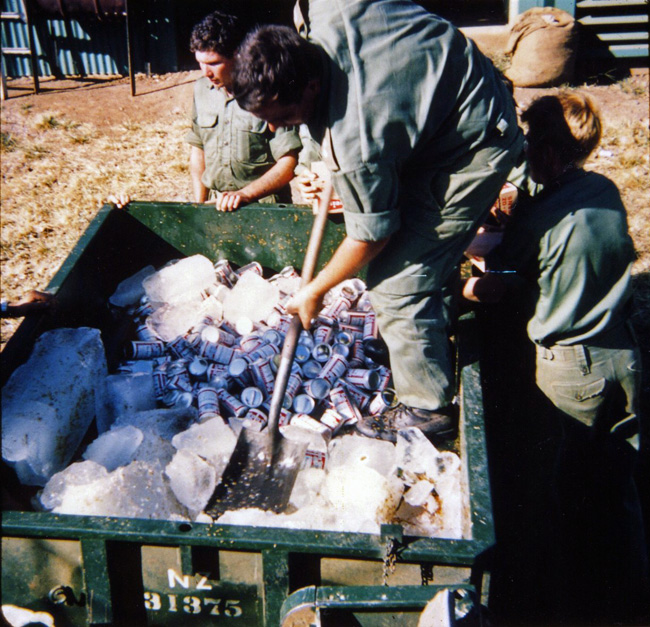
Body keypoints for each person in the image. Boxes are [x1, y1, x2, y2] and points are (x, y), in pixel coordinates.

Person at [229, 0, 525, 442]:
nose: (274, 131)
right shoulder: (324, 18)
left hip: (473, 142)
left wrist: (314, 289)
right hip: (431, 107)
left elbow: (372, 236)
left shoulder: (357, 137)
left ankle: (428, 409)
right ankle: (428, 336)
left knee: (395, 281)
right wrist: (314, 158)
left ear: (311, 86)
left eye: (283, 118)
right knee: (418, 259)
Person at [464, 91, 649, 624]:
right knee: (621, 483)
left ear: (546, 153)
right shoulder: (606, 191)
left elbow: (499, 273)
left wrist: (469, 287)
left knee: (559, 492)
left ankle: (565, 600)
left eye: (529, 146)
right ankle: (633, 591)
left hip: (571, 371)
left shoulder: (541, 213)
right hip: (626, 356)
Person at [186, 11, 303, 212]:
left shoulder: (268, 92)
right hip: (216, 206)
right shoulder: (201, 89)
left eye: (214, 63)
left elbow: (289, 162)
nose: (206, 72)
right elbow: (198, 150)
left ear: (237, 55)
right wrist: (199, 207)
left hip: (265, 209)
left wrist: (244, 195)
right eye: (200, 63)